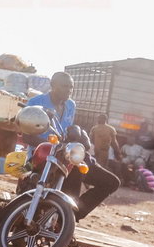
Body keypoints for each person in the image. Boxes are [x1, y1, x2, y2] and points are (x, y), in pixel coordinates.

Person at [26, 72, 120, 221]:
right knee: (75, 173)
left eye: (71, 87)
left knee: (111, 182)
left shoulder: (70, 105)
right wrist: (54, 147)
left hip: (67, 155)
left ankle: (71, 217)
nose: (69, 90)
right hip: (43, 156)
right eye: (64, 86)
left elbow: (67, 132)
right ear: (52, 85)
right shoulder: (36, 102)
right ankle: (64, 220)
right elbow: (26, 135)